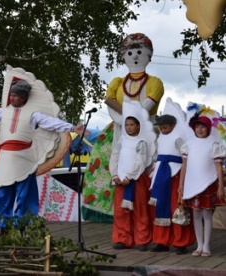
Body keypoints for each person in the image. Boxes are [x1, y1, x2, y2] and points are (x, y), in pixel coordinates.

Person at [0, 79, 82, 232]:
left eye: (16, 96)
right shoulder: (3, 112)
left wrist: (71, 127)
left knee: (23, 194)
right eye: (11, 95)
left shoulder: (33, 114)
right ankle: (3, 226)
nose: (11, 98)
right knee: (3, 192)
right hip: (5, 158)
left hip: (24, 158)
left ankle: (21, 226)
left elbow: (50, 122)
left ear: (23, 97)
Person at [82, 33, 164, 222]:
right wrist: (124, 120)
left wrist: (131, 118)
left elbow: (145, 110)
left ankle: (148, 217)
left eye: (139, 52)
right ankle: (118, 216)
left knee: (148, 168)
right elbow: (109, 101)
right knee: (113, 162)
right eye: (130, 53)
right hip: (120, 128)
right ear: (123, 57)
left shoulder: (154, 83)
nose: (134, 56)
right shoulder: (118, 83)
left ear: (148, 56)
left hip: (147, 130)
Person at [110, 101, 156, 251]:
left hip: (135, 180)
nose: (129, 127)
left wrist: (129, 176)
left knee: (139, 210)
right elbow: (115, 157)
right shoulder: (122, 140)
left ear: (138, 126)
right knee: (120, 211)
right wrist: (115, 174)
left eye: (132, 125)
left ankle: (142, 239)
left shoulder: (141, 142)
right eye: (127, 125)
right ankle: (123, 238)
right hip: (120, 180)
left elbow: (140, 161)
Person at [179, 114, 226, 257]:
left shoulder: (213, 144)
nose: (200, 129)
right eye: (197, 126)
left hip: (208, 184)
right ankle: (199, 245)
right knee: (196, 214)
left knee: (207, 214)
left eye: (203, 126)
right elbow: (184, 166)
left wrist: (220, 186)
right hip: (192, 184)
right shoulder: (189, 144)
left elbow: (218, 167)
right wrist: (181, 185)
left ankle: (206, 245)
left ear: (208, 128)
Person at [149, 111, 195, 254]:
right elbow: (156, 155)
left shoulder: (178, 139)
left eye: (166, 127)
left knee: (177, 207)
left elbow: (187, 155)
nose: (163, 130)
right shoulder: (159, 138)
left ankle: (181, 242)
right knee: (161, 207)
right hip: (161, 175)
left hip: (175, 175)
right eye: (161, 127)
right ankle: (162, 241)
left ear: (173, 126)